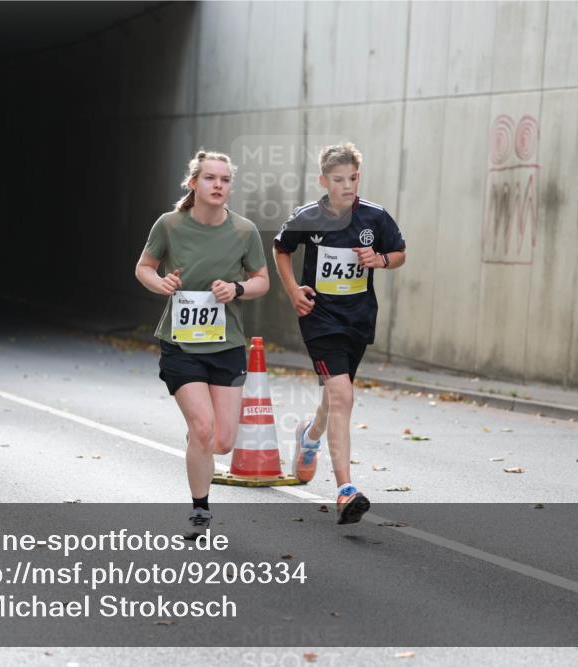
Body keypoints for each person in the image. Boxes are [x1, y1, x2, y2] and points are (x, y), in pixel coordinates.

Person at [135, 150, 269, 537]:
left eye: (225, 180)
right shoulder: (169, 225)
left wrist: (238, 288)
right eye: (210, 178)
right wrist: (159, 282)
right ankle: (200, 511)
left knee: (222, 442)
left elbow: (261, 279)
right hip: (180, 343)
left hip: (226, 344)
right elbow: (143, 266)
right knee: (204, 426)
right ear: (194, 184)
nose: (218, 185)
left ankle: (200, 441)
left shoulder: (244, 231)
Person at [273, 143, 406, 525]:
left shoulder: (374, 217)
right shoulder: (308, 217)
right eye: (338, 180)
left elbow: (399, 252)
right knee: (343, 393)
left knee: (335, 397)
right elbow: (281, 248)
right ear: (323, 181)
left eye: (352, 178)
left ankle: (309, 437)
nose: (347, 186)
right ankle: (346, 489)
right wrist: (293, 291)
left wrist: (380, 259)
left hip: (358, 318)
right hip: (319, 317)